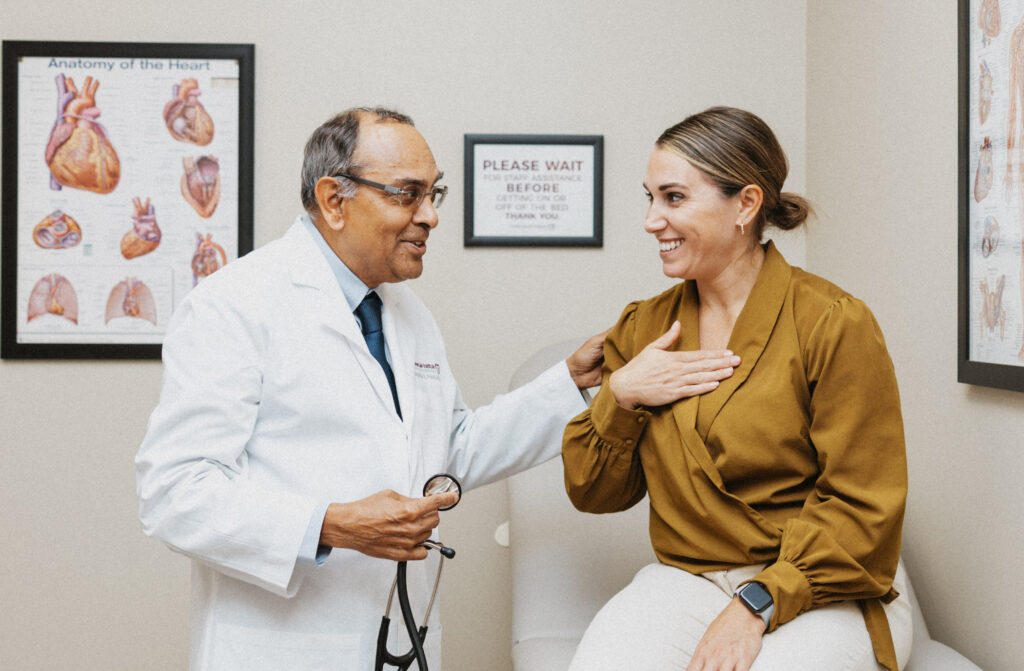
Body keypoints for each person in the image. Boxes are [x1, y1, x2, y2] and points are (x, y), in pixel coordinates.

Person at [135, 106, 604, 670]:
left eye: (435, 194)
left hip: (393, 643)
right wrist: (333, 524)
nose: (430, 216)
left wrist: (570, 384)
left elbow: (446, 450)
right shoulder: (235, 305)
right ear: (335, 200)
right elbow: (174, 492)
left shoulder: (406, 312)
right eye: (407, 194)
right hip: (281, 648)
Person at [562, 106, 911, 671]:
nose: (653, 220)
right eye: (649, 198)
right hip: (688, 580)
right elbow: (594, 494)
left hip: (821, 586)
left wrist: (757, 602)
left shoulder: (833, 322)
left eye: (673, 198)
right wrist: (620, 397)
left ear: (745, 205)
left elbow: (863, 506)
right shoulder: (642, 329)